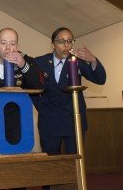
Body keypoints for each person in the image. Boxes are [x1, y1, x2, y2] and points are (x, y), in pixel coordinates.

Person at [32, 27, 106, 189]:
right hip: (49, 121)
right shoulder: (39, 62)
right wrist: (42, 109)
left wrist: (93, 59)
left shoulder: (77, 61)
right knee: (50, 162)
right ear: (53, 44)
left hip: (73, 120)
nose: (66, 45)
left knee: (74, 163)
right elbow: (31, 89)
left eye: (69, 41)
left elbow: (101, 79)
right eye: (61, 41)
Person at [0, 28, 44, 155]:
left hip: (17, 120)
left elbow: (39, 86)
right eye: (3, 43)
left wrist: (23, 65)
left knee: (15, 161)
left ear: (18, 46)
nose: (8, 48)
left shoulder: (26, 60)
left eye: (12, 44)